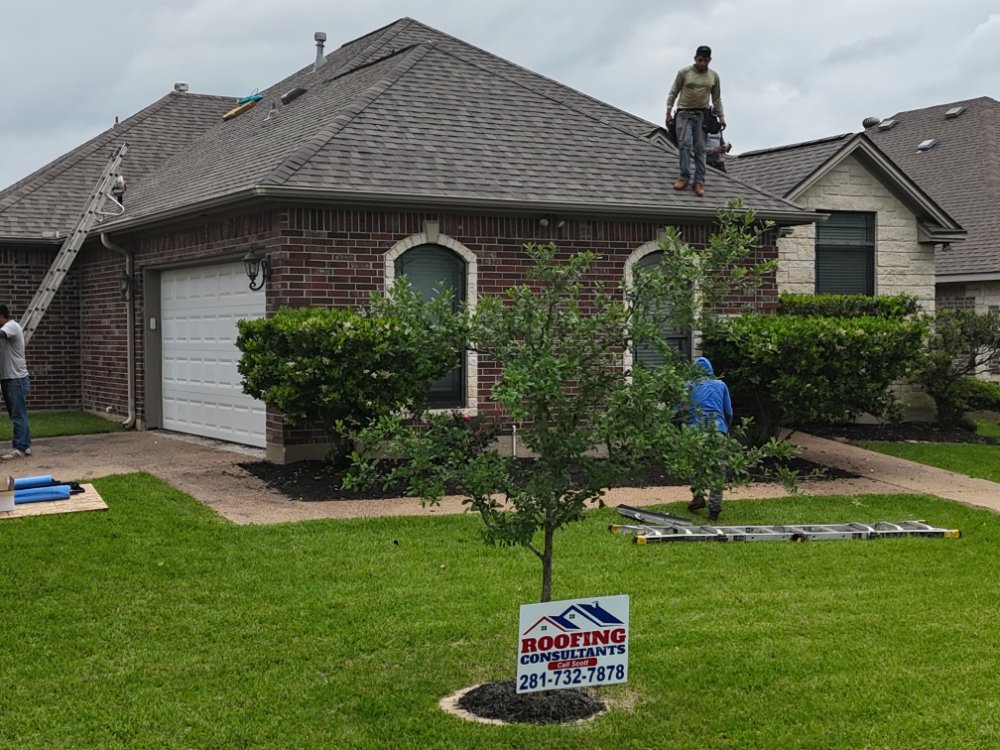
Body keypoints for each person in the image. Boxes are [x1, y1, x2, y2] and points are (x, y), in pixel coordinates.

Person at [665, 45, 725, 197]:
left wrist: (721, 116)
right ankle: (684, 176)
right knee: (684, 144)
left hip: (702, 115)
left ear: (709, 60)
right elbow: (674, 91)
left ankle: (698, 181)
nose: (702, 63)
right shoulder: (684, 72)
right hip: (684, 114)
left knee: (700, 148)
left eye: (705, 60)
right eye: (700, 60)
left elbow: (716, 98)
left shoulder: (713, 76)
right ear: (695, 58)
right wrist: (668, 112)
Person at [684, 356, 732, 522]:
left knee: (697, 465)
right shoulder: (721, 385)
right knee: (718, 471)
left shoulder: (689, 385)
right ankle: (714, 510)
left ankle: (698, 496)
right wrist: (725, 429)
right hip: (718, 431)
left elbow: (678, 410)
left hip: (696, 433)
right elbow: (728, 412)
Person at [0, 304, 32, 460]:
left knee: (18, 414)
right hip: (9, 378)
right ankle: (25, 445)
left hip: (15, 379)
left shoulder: (11, 326)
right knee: (18, 414)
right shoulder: (7, 329)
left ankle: (19, 447)